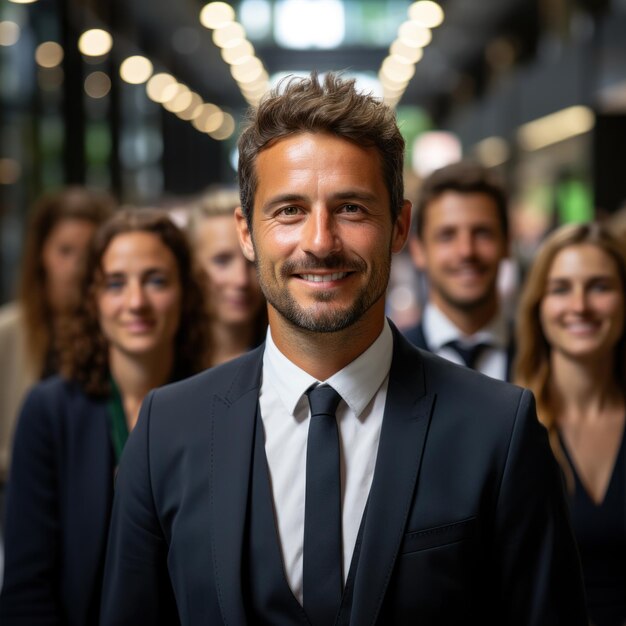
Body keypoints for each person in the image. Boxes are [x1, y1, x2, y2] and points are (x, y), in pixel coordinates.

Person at [100, 73, 586, 625]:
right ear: (245, 231)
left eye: (351, 208)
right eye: (289, 210)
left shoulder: (499, 430)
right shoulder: (168, 429)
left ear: (400, 226)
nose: (320, 242)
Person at [0, 209, 209, 625]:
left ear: (185, 292)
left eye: (156, 280)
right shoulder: (50, 412)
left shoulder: (217, 408)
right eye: (115, 284)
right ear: (93, 298)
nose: (136, 302)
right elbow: (26, 587)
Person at [515, 222, 626, 626]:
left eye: (599, 286)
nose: (580, 306)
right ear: (538, 304)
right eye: (561, 288)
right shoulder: (509, 427)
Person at [0, 186, 114, 483]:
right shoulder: (8, 333)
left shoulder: (117, 332)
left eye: (89, 252)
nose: (77, 266)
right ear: (41, 255)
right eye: (65, 251)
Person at [404, 161, 515, 380]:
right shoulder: (389, 364)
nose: (466, 251)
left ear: (507, 244)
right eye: (447, 235)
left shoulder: (547, 356)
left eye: (483, 233)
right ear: (418, 250)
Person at [187, 186, 267, 366]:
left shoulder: (287, 363)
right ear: (192, 266)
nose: (241, 280)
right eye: (222, 261)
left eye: (252, 261)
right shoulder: (168, 361)